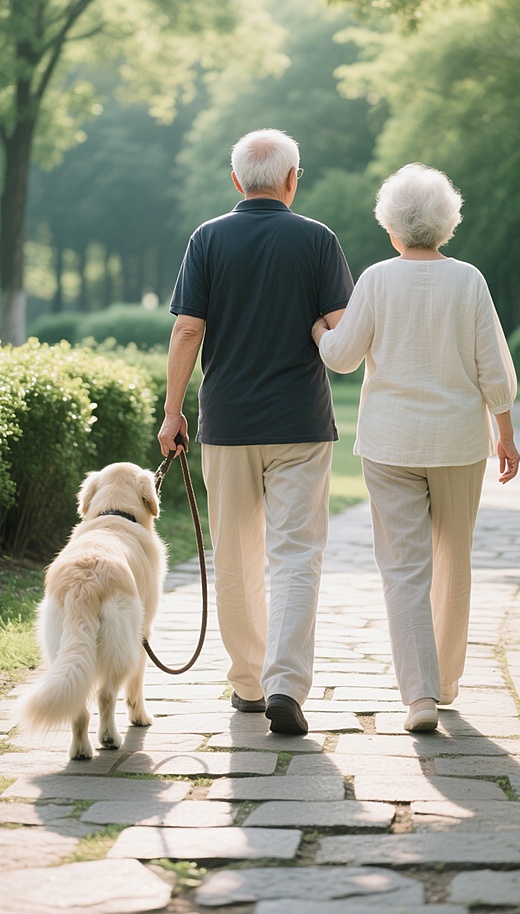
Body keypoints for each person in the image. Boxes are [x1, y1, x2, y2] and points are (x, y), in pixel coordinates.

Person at [312, 163, 519, 733]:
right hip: (459, 440)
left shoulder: (377, 279)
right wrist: (505, 432)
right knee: (455, 558)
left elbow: (343, 356)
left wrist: (318, 333)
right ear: (447, 223)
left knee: (403, 569)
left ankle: (420, 696)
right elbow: (492, 367)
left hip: (390, 442)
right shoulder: (469, 280)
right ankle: (446, 681)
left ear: (391, 225)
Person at [159, 128, 353, 735]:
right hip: (300, 422)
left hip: (229, 422)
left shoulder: (208, 238)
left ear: (237, 180)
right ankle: (286, 684)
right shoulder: (318, 239)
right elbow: (341, 330)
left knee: (236, 554)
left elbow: (188, 330)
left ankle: (247, 681)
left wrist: (171, 413)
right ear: (293, 179)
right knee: (296, 555)